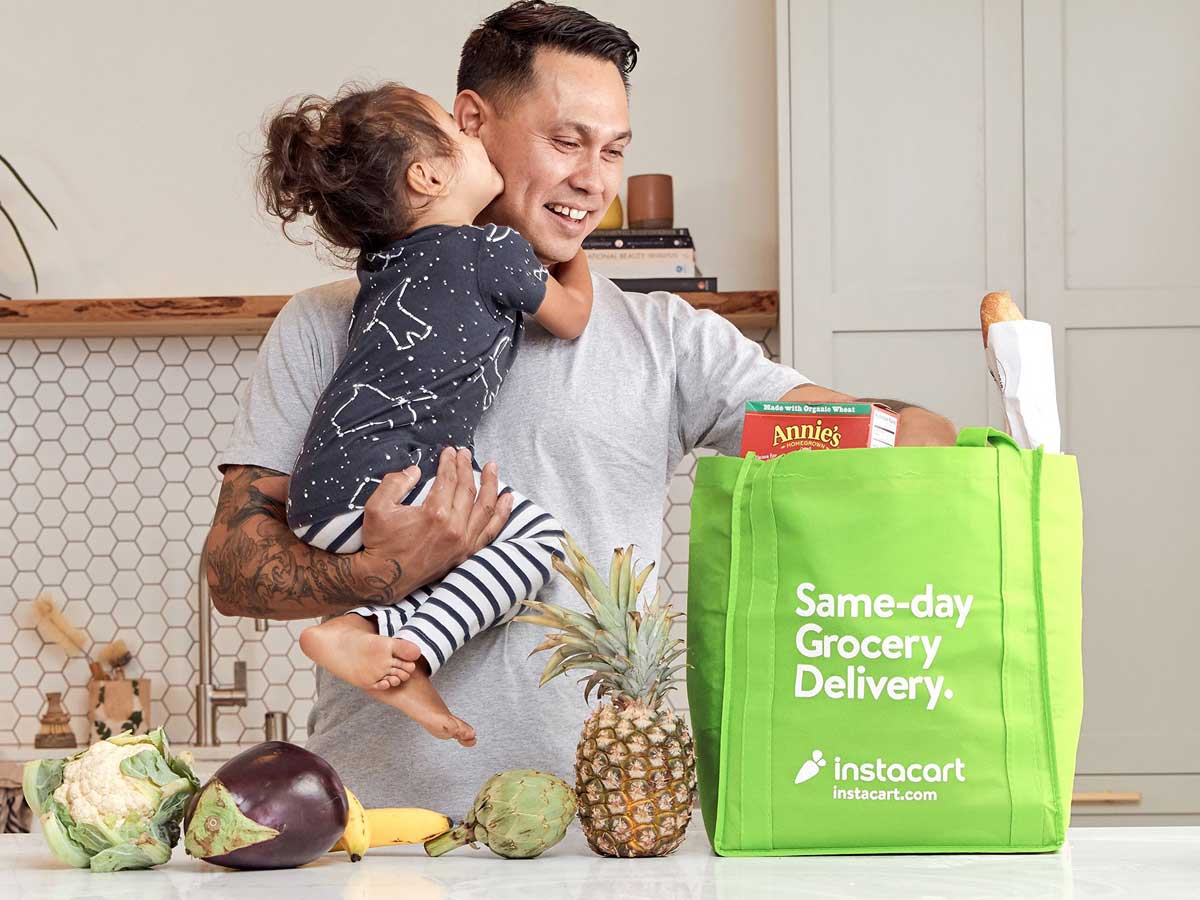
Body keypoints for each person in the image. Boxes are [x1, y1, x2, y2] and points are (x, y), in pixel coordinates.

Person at [206, 1, 957, 814]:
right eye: (565, 141)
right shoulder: (327, 323)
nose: (594, 180)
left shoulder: (668, 340)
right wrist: (370, 572)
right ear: (469, 124)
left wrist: (912, 435)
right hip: (377, 825)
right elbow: (234, 570)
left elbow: (855, 430)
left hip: (603, 829)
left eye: (614, 151)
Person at [254, 82, 595, 747]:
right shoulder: (491, 251)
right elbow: (573, 316)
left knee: (474, 550)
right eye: (462, 133)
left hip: (324, 491)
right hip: (388, 483)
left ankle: (357, 628)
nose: (478, 141)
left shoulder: (383, 262)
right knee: (535, 540)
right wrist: (571, 238)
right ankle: (398, 641)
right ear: (429, 174)